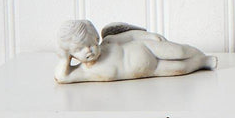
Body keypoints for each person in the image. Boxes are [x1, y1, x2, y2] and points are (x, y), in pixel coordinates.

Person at [55, 19, 217, 83]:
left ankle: (199, 54)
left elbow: (131, 36)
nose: (88, 50)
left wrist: (149, 36)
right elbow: (62, 77)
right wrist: (63, 59)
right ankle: (203, 61)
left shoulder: (109, 42)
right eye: (79, 49)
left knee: (180, 52)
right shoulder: (86, 72)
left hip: (147, 48)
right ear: (71, 54)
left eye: (91, 44)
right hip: (151, 70)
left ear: (96, 38)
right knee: (180, 68)